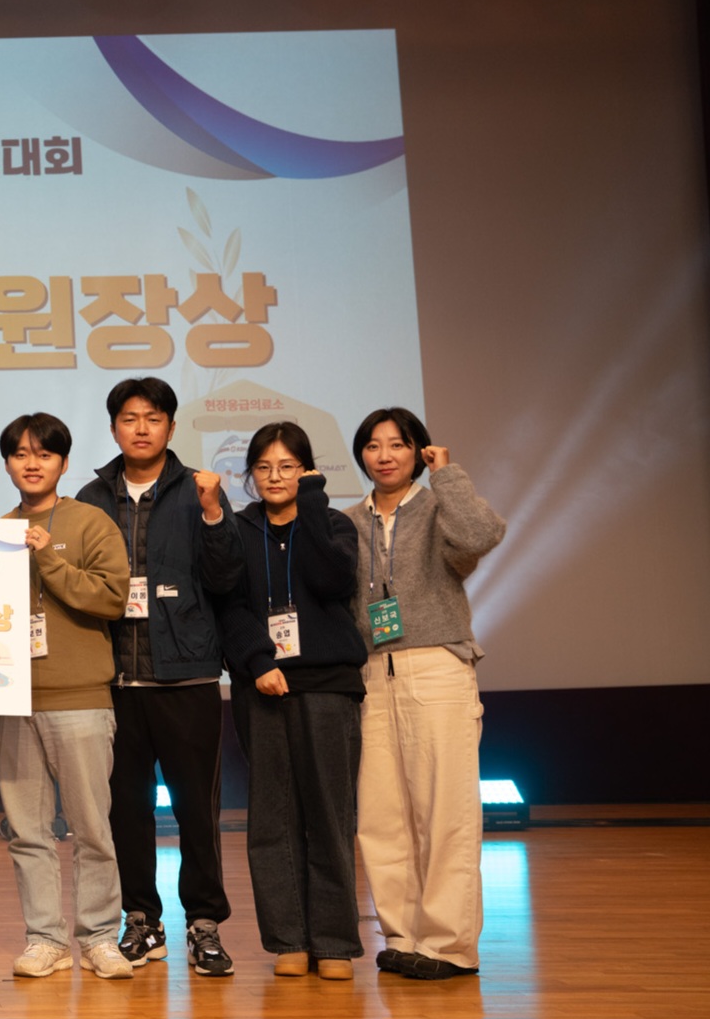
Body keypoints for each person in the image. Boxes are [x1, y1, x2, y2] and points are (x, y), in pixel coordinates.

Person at [76, 377, 242, 976]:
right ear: (113, 427)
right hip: (115, 681)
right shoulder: (91, 497)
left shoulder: (199, 489)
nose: (141, 428)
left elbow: (227, 578)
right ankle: (141, 920)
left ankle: (204, 923)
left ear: (171, 427)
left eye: (153, 418)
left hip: (187, 678)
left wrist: (215, 513)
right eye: (129, 418)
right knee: (126, 810)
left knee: (197, 809)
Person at [345, 407, 505, 980]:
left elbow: (481, 535)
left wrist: (448, 475)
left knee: (445, 811)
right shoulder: (349, 520)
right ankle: (404, 936)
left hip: (437, 666)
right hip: (371, 673)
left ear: (419, 451)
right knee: (382, 816)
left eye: (398, 444)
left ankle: (450, 946)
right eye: (373, 445)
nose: (384, 455)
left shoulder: (440, 506)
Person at [219, 422, 364, 980]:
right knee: (272, 818)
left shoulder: (332, 523)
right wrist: (258, 662)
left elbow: (333, 581)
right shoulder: (238, 529)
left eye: (288, 467)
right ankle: (288, 941)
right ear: (250, 474)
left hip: (328, 686)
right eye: (264, 467)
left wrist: (313, 501)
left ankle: (334, 941)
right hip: (263, 685)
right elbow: (229, 605)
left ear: (307, 470)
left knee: (329, 815)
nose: (275, 477)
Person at [0, 412, 134, 980]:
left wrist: (48, 556)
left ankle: (99, 937)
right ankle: (45, 939)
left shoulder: (91, 521)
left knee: (92, 829)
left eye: (44, 454)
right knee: (28, 833)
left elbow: (112, 599)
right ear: (7, 464)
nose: (32, 464)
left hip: (80, 699)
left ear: (64, 462)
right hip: (12, 702)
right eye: (20, 454)